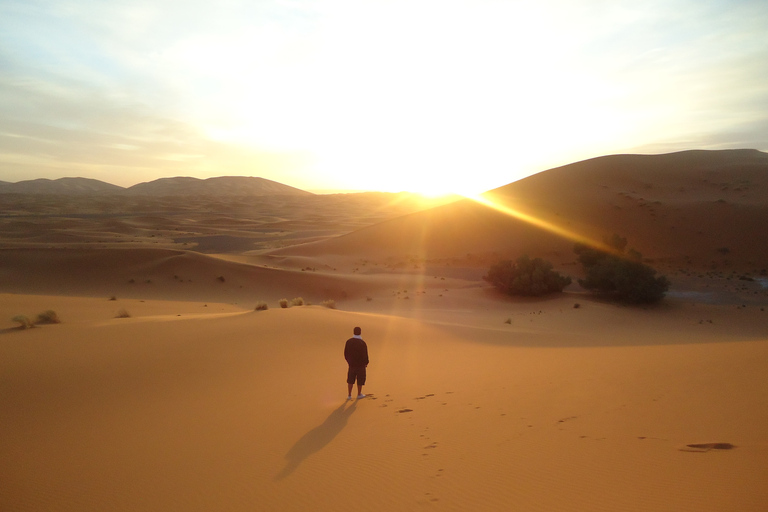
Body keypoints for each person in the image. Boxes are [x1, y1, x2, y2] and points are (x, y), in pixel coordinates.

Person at [344, 326, 369, 400]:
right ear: (360, 332)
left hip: (352, 364)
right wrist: (366, 363)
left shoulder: (349, 342)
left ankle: (349, 395)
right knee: (360, 379)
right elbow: (365, 354)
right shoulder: (362, 343)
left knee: (350, 379)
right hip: (361, 365)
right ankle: (359, 394)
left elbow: (346, 353)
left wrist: (349, 362)